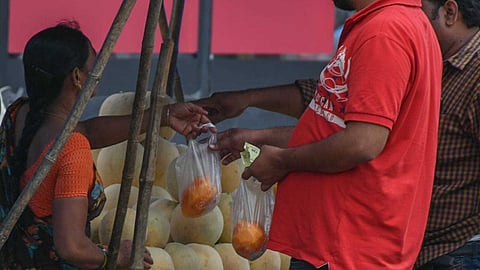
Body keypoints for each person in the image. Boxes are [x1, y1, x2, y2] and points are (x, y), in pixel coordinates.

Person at [198, 0, 480, 269]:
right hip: (340, 246)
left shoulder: (386, 31)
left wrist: (282, 161)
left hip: (347, 249)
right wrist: (259, 133)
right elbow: (331, 120)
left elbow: (362, 142)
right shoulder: (387, 25)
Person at [0, 22, 213, 269]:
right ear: (77, 77)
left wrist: (163, 115)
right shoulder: (73, 149)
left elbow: (87, 131)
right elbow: (72, 247)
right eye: (94, 66)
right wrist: (113, 256)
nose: (99, 72)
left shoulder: (18, 114)